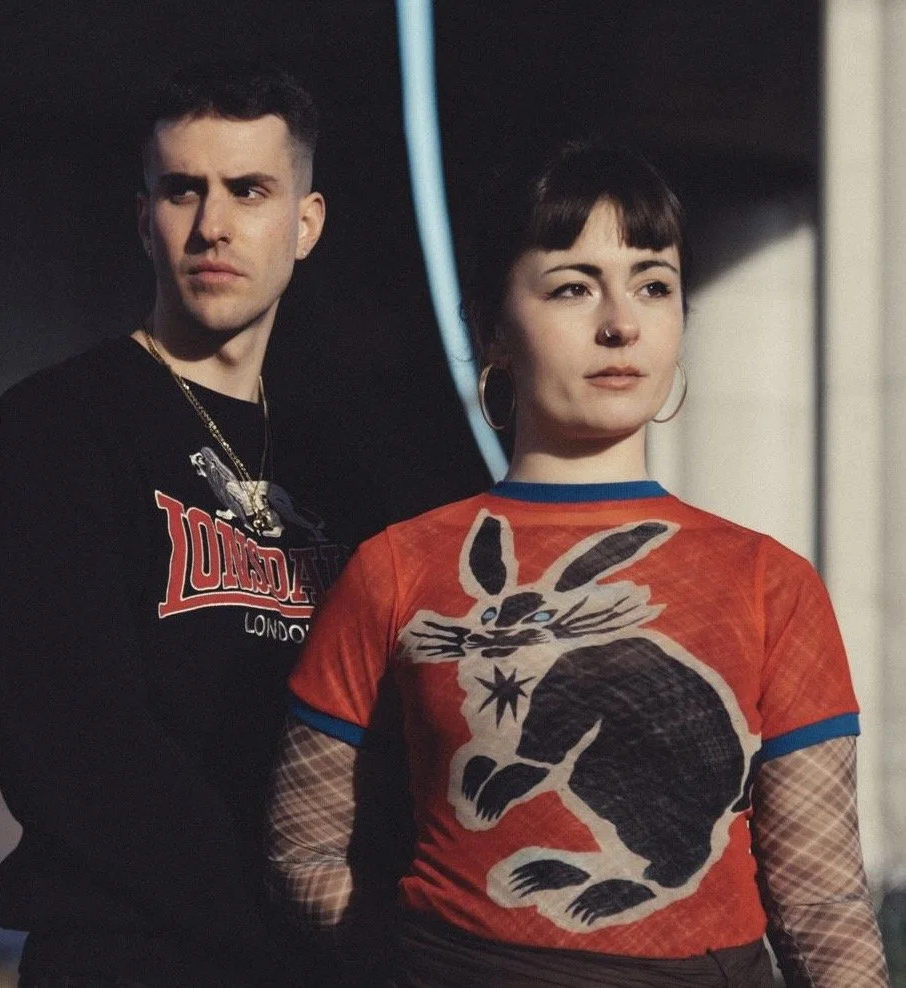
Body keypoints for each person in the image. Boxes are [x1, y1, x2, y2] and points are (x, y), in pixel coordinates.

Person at [265, 141, 892, 987]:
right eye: (573, 286)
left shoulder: (767, 584)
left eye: (653, 285)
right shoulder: (396, 568)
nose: (621, 323)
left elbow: (822, 903)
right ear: (490, 326)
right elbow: (302, 850)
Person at [0, 59, 353, 987]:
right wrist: (298, 931)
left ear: (305, 224)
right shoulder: (56, 428)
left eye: (249, 190)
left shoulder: (341, 460)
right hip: (127, 956)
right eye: (183, 190)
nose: (212, 224)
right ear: (145, 220)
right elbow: (76, 754)